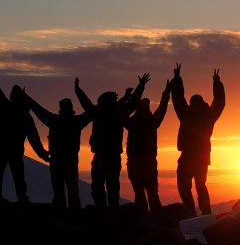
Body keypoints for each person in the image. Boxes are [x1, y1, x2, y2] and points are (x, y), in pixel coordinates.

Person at [0, 57, 49, 203]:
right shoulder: (25, 116)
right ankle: (22, 198)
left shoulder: (5, 105)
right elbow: (34, 138)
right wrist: (43, 154)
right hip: (15, 149)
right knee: (17, 174)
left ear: (12, 96)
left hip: (1, 147)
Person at [23, 89, 93, 209]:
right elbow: (92, 112)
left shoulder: (54, 120)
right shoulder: (76, 121)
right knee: (72, 188)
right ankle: (74, 212)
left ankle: (62, 210)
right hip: (70, 160)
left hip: (57, 161)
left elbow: (39, 110)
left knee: (59, 188)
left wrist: (26, 97)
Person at [170, 64, 225, 216]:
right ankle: (206, 213)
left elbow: (178, 99)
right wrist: (217, 83)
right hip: (202, 158)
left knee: (184, 186)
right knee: (200, 186)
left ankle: (190, 212)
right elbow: (220, 102)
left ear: (192, 104)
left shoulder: (186, 115)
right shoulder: (209, 116)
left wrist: (177, 79)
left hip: (188, 157)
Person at [75, 76, 139, 207]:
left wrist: (78, 90)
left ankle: (103, 210)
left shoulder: (99, 112)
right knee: (112, 186)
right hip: (113, 157)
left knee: (100, 186)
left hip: (101, 156)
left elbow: (86, 103)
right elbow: (132, 104)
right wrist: (140, 87)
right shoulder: (118, 112)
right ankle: (111, 211)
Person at [122, 76, 171, 214]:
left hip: (135, 162)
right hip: (149, 162)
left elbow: (122, 112)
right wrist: (166, 93)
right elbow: (162, 108)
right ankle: (157, 219)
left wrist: (140, 87)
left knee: (139, 192)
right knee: (153, 193)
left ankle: (143, 219)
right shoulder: (152, 122)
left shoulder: (132, 123)